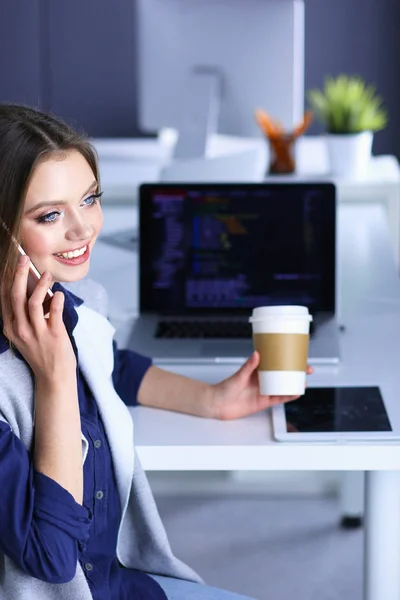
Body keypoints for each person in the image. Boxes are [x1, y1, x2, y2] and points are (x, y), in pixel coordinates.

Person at [0, 103, 312, 600]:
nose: (83, 230)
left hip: (117, 585)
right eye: (51, 215)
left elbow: (111, 365)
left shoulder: (73, 310)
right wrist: (56, 379)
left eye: (89, 199)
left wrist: (213, 400)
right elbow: (52, 559)